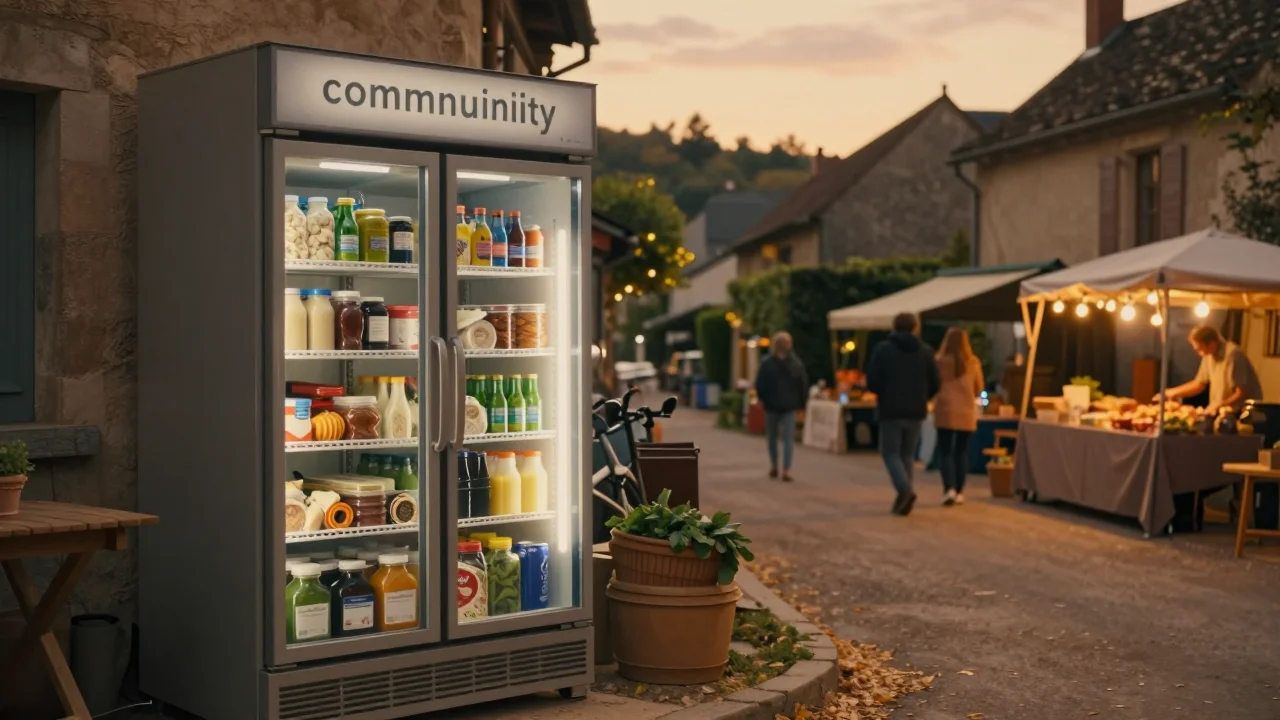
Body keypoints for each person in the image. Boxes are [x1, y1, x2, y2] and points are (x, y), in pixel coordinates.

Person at [866, 313, 941, 516]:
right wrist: (923, 397)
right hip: (916, 409)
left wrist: (882, 392)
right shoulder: (925, 351)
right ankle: (903, 498)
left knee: (890, 453)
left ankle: (905, 491)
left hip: (890, 409)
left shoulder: (883, 350)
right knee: (907, 453)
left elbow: (872, 381)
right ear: (915, 327)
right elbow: (936, 382)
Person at [1157, 325, 1262, 416]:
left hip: (1243, 414)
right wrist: (1172, 392)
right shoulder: (1209, 355)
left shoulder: (1233, 355)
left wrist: (1218, 405)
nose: (1199, 353)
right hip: (1222, 411)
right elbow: (1199, 384)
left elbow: (1241, 393)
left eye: (1200, 349)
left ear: (1212, 344)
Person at [932, 327, 984, 506]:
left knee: (945, 451)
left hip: (944, 409)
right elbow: (979, 389)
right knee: (961, 452)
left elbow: (933, 384)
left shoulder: (938, 361)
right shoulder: (973, 363)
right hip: (967, 411)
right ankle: (960, 491)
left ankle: (949, 489)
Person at [754, 331, 808, 482]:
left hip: (771, 406)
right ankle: (786, 469)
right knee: (788, 439)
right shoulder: (796, 363)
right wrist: (802, 403)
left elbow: (760, 384)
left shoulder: (767, 363)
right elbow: (802, 384)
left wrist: (761, 399)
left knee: (772, 438)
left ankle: (774, 465)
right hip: (789, 406)